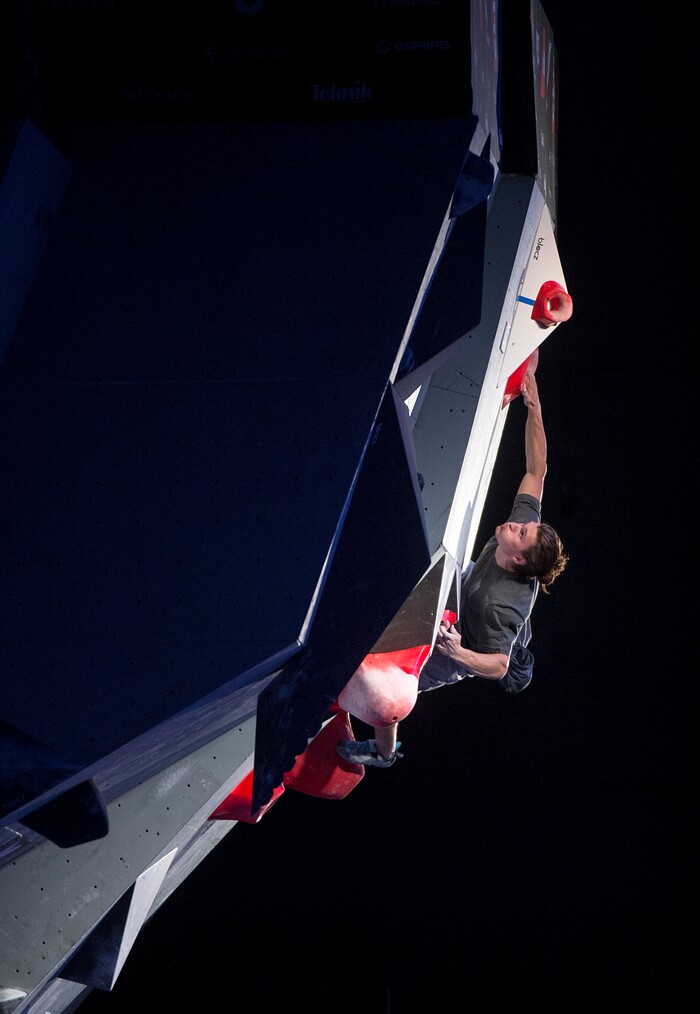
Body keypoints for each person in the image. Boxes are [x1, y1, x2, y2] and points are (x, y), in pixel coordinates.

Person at [336, 348, 568, 768]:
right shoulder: (520, 534)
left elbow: (497, 667)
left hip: (461, 644)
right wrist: (534, 402)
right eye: (523, 524)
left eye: (518, 533)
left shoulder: (501, 606)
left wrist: (458, 651)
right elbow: (538, 470)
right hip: (463, 588)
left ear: (518, 561)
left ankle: (385, 753)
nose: (513, 525)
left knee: (394, 680)